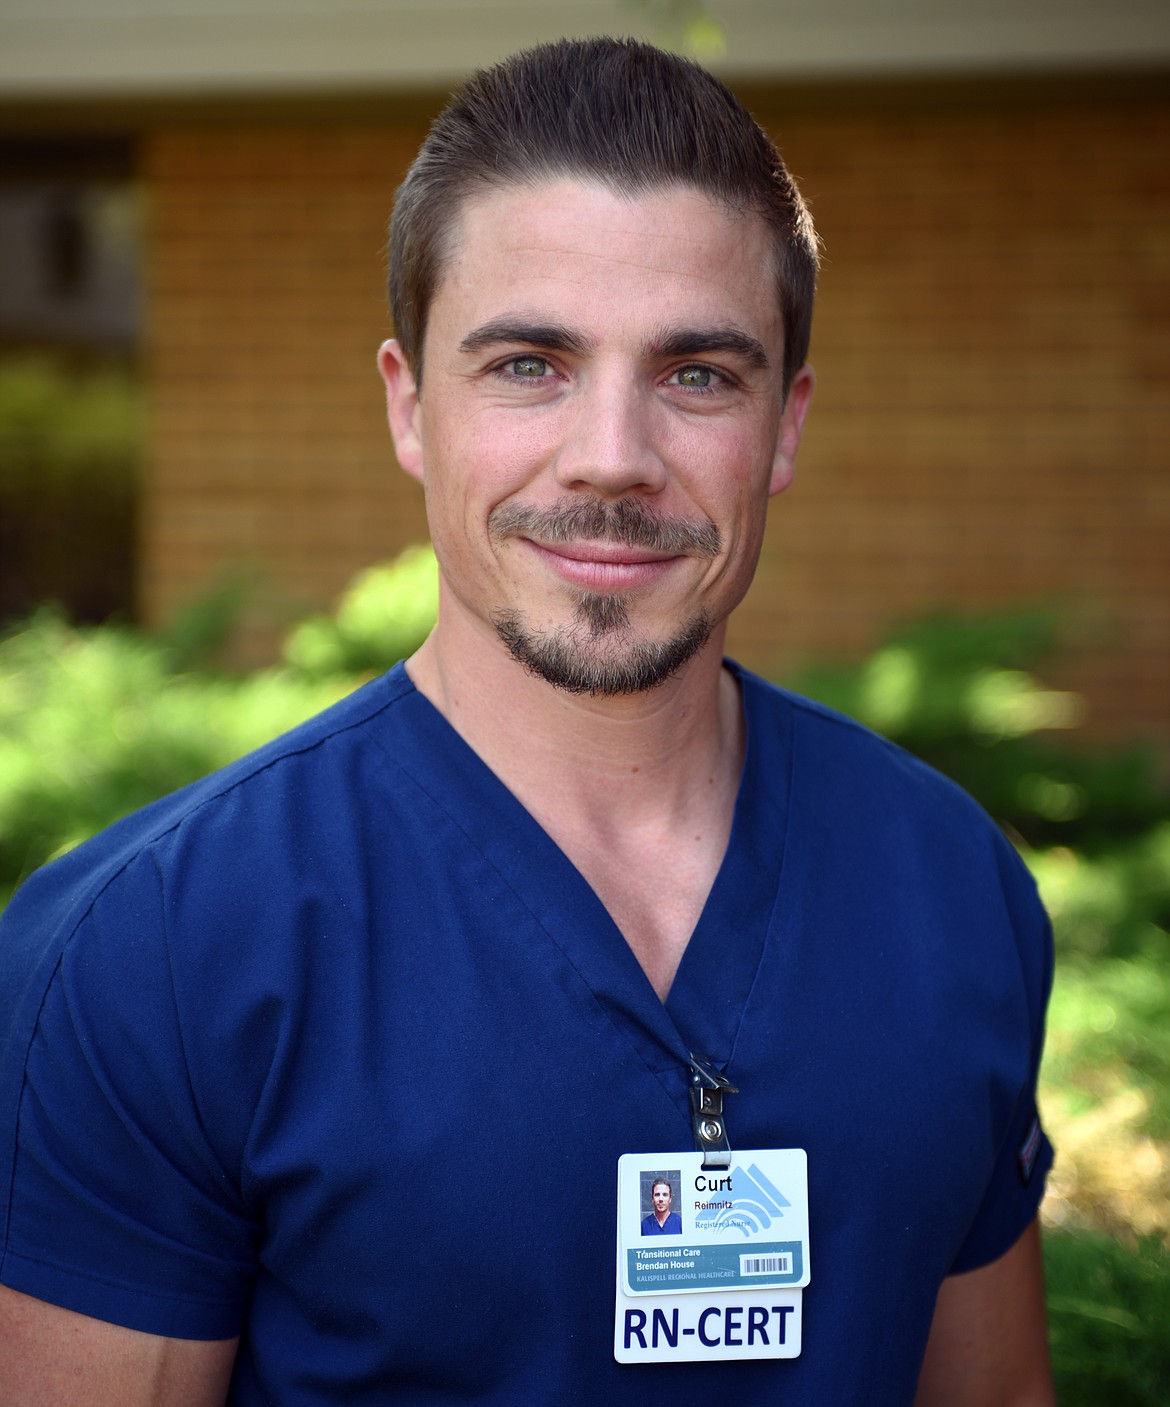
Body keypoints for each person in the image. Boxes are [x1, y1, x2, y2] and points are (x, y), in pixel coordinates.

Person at [0, 36, 1055, 1406]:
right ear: (409, 406)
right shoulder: (148, 949)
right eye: (528, 365)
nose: (611, 455)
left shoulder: (947, 883)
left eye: (695, 375)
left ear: (783, 426)